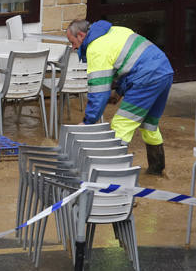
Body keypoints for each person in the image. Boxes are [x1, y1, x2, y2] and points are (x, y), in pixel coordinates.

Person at [66, 19, 174, 175]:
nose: (73, 47)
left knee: (120, 125)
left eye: (72, 42)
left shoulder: (96, 49)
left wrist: (88, 122)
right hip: (164, 71)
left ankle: (111, 175)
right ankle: (157, 170)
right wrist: (118, 93)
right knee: (149, 125)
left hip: (147, 77)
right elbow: (129, 66)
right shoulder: (115, 30)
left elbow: (98, 92)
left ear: (81, 35)